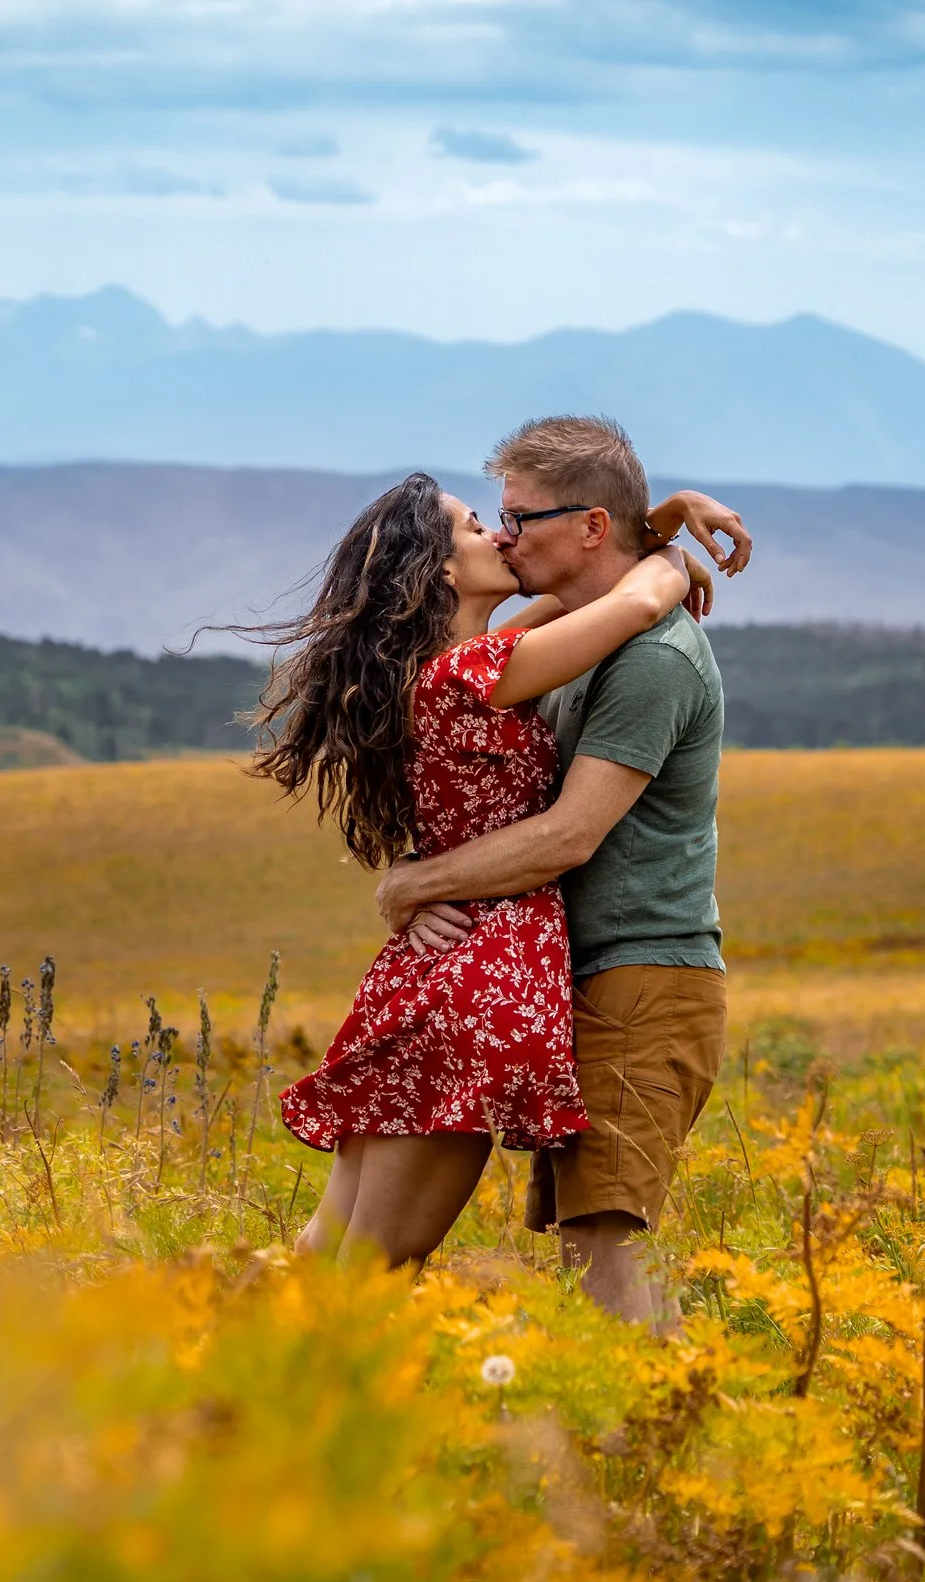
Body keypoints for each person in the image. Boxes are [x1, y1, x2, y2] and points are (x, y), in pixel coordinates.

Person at [249, 468, 744, 1270]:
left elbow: (584, 593)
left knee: (331, 1250)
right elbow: (630, 605)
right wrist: (669, 555)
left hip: (434, 968)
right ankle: (274, 1387)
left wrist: (666, 521)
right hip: (479, 975)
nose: (502, 535)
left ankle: (211, 1371)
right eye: (479, 526)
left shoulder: (465, 666)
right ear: (443, 571)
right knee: (374, 1262)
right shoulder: (469, 677)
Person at [375, 415, 746, 1328]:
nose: (504, 535)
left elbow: (569, 835)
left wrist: (415, 886)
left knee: (605, 1250)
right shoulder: (578, 633)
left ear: (588, 527)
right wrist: (661, 532)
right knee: (586, 1255)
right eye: (492, 519)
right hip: (583, 978)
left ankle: (659, 1444)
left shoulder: (653, 657)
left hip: (641, 977)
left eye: (521, 517)